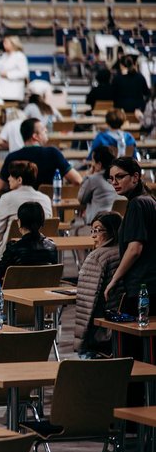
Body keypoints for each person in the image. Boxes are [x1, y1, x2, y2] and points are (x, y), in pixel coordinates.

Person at [104, 157, 156, 310]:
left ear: (135, 177)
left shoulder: (137, 204)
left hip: (141, 285)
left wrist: (114, 279)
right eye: (111, 178)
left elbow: (134, 249)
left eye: (119, 177)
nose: (114, 182)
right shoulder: (149, 199)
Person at [74, 212, 124, 357]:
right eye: (93, 230)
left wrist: (81, 341)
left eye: (98, 230)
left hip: (99, 331)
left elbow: (87, 303)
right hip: (120, 328)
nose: (93, 236)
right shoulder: (126, 254)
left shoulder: (96, 257)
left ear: (112, 231)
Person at [0, 161, 53, 262]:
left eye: (11, 176)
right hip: (41, 255)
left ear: (19, 180)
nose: (8, 178)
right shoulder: (46, 199)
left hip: (10, 257)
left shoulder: (6, 198)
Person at [0, 118, 82, 191]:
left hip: (19, 207)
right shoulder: (53, 153)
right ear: (35, 136)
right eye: (43, 130)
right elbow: (77, 180)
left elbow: (0, 186)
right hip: (49, 206)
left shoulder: (12, 157)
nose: (46, 130)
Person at [0, 201, 58, 284]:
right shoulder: (52, 247)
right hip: (44, 295)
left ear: (20, 222)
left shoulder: (14, 248)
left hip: (17, 295)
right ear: (42, 222)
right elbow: (54, 276)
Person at [78, 146, 119, 226]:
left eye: (93, 161)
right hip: (116, 224)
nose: (92, 164)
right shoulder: (118, 178)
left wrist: (88, 175)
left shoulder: (93, 179)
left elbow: (81, 198)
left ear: (99, 164)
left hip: (96, 225)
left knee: (74, 226)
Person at [0, 35, 28, 103]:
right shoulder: (3, 56)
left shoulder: (19, 56)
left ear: (13, 43)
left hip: (13, 91)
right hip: (1, 90)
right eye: (4, 42)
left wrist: (8, 74)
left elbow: (24, 73)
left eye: (6, 42)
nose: (4, 44)